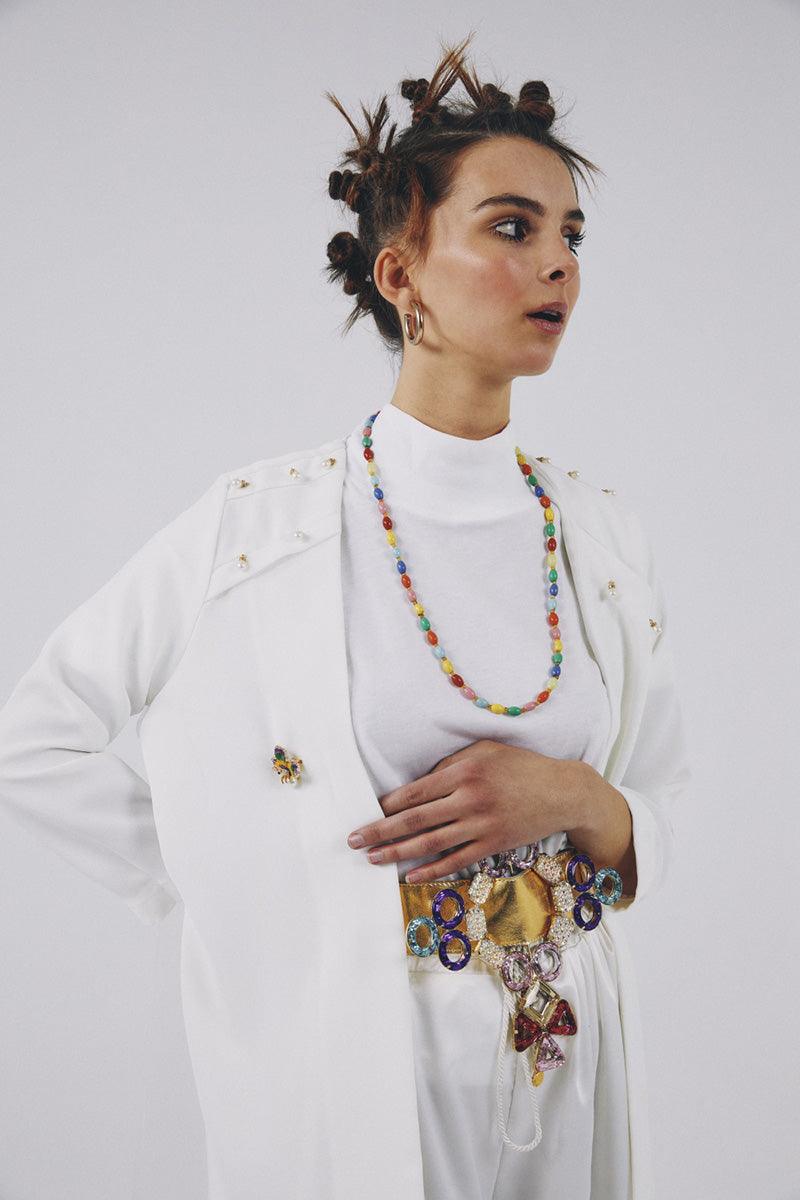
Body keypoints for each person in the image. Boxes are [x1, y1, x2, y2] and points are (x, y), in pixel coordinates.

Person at [0, 33, 691, 1200]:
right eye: (511, 227)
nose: (557, 265)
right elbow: (36, 735)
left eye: (571, 236)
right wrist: (245, 886)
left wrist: (578, 799)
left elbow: (655, 796)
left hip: (562, 1053)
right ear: (400, 275)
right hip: (361, 1065)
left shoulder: (600, 535)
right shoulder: (255, 527)